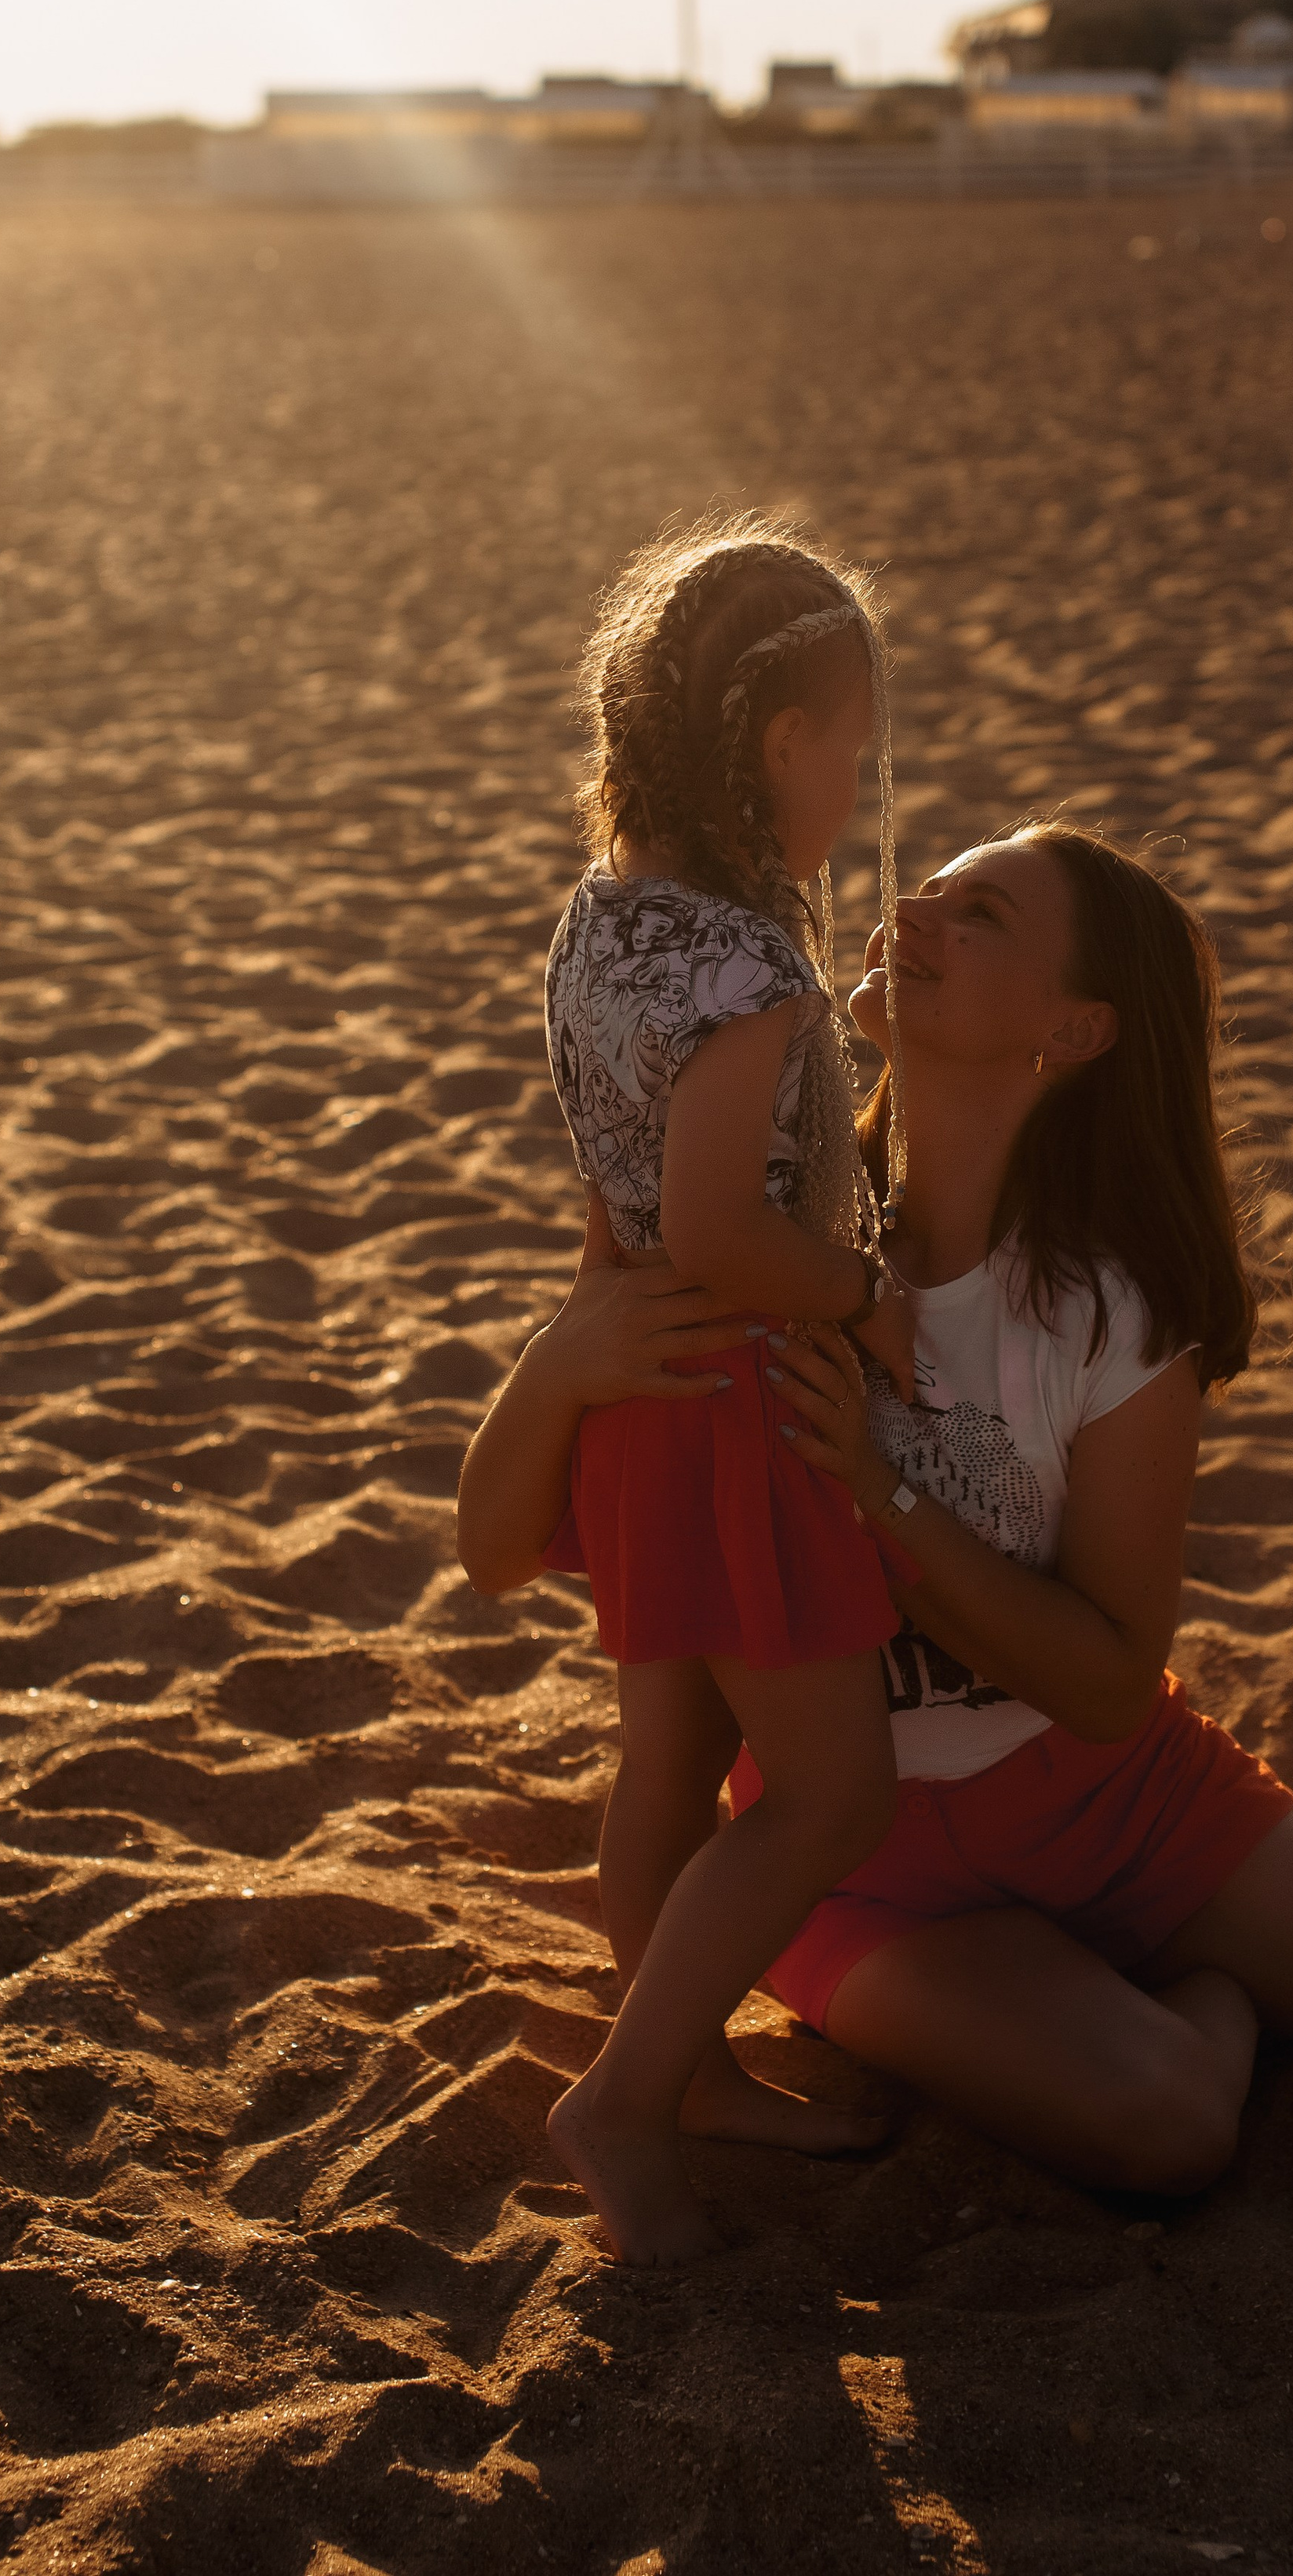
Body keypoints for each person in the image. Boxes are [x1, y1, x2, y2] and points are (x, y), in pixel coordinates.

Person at [461, 822, 1293, 2207]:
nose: (918, 907)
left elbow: (1103, 1681)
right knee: (1166, 2123)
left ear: (1074, 1028)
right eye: (933, 886)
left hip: (1121, 1801)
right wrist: (559, 1359)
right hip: (850, 1858)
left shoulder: (1109, 1307)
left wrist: (880, 1488)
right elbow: (494, 1551)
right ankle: (1211, 1991)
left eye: (982, 914)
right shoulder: (750, 1232)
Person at [528, 518, 925, 2265]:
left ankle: (671, 2066)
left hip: (639, 1394)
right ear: (780, 745)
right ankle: (625, 2094)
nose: (858, 779)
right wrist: (865, 1293)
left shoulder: (607, 922)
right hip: (734, 1400)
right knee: (833, 1791)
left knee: (668, 1758)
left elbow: (622, 1193)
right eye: (854, 743)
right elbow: (713, 1216)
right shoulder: (746, 969)